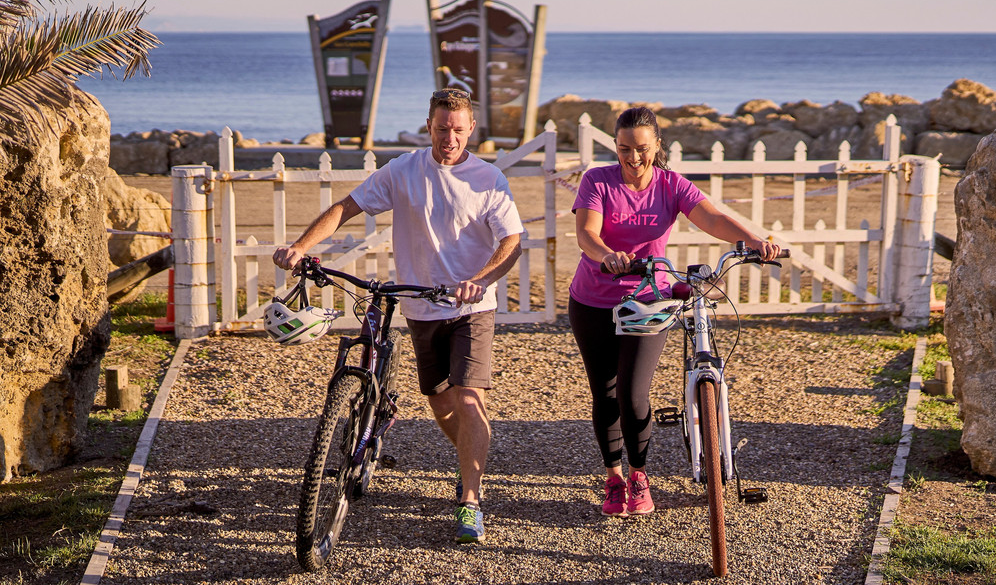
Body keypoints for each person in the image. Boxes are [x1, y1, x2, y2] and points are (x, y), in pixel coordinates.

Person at [273, 88, 523, 544]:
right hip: (419, 307)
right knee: (441, 403)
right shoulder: (403, 170)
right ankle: (470, 458)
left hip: (471, 308)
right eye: (442, 128)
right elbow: (345, 209)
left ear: (471, 130)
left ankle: (470, 499)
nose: (450, 138)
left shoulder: (488, 179)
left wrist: (481, 280)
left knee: (469, 399)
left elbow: (511, 243)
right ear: (429, 125)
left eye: (459, 130)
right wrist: (301, 247)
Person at [568, 106, 780, 517]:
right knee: (605, 392)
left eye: (642, 149)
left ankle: (639, 475)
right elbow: (586, 234)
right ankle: (613, 476)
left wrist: (754, 240)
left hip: (649, 300)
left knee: (633, 395)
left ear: (657, 147)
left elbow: (712, 217)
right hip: (593, 299)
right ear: (615, 145)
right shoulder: (597, 180)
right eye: (624, 148)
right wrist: (607, 255)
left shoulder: (670, 185)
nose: (633, 158)